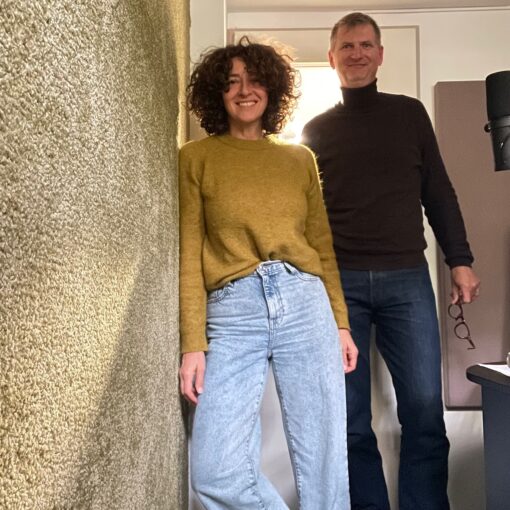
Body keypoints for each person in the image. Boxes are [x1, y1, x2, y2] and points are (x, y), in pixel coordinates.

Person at [302, 12, 481, 510]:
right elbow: (305, 215)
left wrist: (460, 259)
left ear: (380, 55)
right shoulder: (315, 130)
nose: (356, 54)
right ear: (332, 57)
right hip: (339, 286)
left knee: (423, 409)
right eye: (347, 46)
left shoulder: (410, 114)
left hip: (407, 280)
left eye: (365, 45)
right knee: (348, 415)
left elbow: (438, 191)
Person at [178, 38, 358, 510]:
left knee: (325, 467)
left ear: (272, 89)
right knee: (216, 472)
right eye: (232, 82)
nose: (244, 90)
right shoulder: (195, 158)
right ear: (217, 93)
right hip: (233, 309)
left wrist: (341, 323)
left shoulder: (299, 159)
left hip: (305, 303)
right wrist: (193, 343)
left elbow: (322, 248)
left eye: (255, 80)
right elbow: (189, 255)